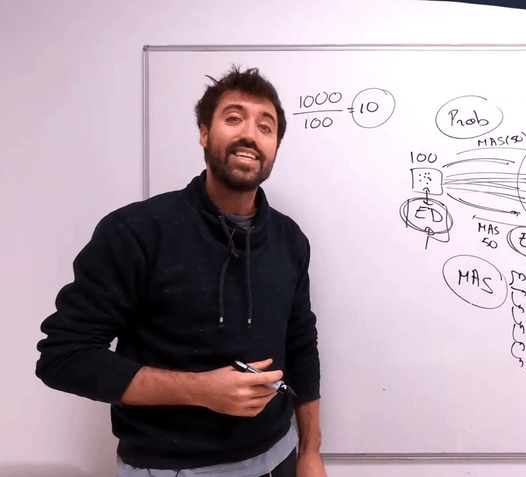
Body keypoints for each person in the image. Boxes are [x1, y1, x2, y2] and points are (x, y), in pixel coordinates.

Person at [35, 65, 326, 477]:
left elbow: (301, 346)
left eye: (266, 126)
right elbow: (64, 357)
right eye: (233, 118)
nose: (250, 134)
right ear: (204, 133)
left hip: (278, 458)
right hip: (171, 469)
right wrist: (200, 390)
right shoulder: (136, 231)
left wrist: (310, 451)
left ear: (275, 146)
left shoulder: (290, 239)